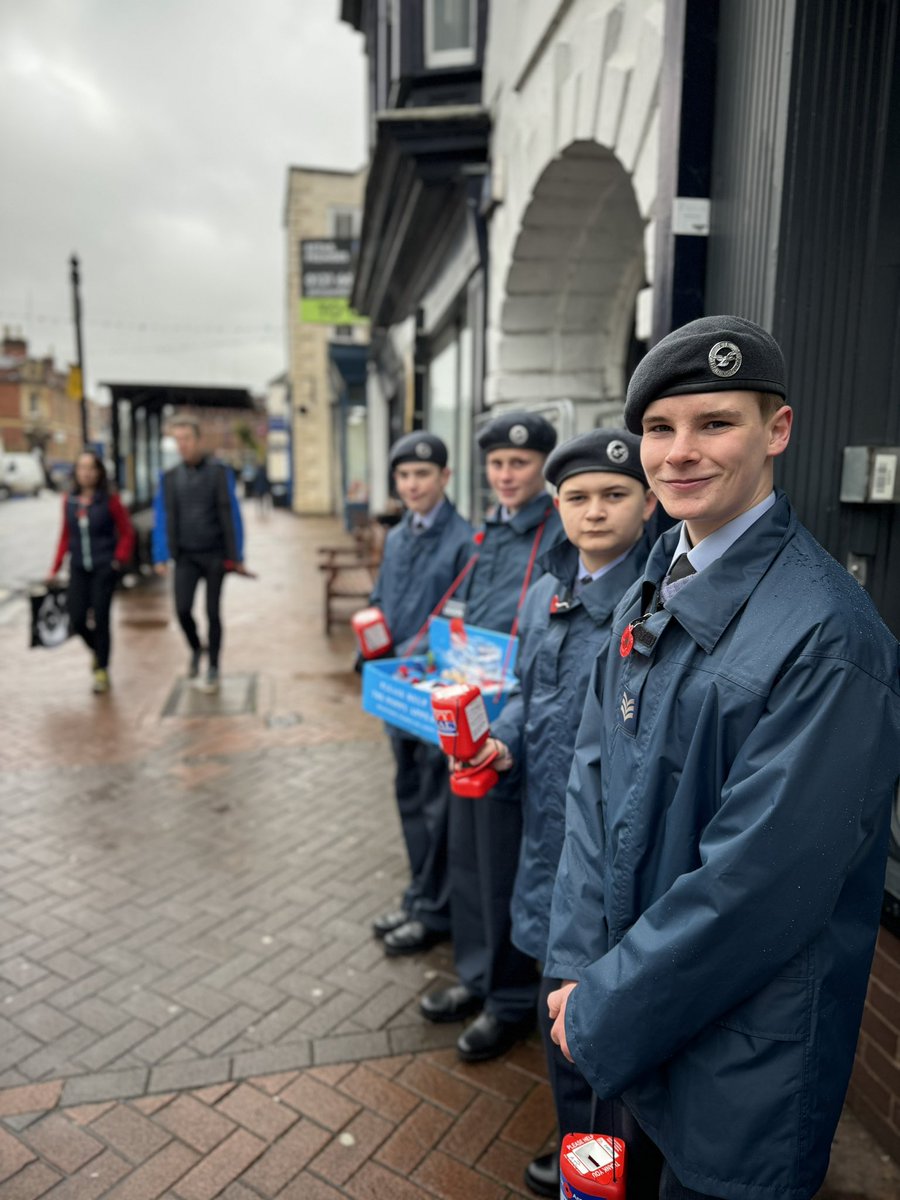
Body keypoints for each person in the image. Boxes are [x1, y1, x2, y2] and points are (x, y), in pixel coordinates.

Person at [546, 316, 900, 1200]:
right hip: (624, 1000)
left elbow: (759, 884)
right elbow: (593, 784)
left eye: (716, 424)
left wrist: (600, 1006)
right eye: (660, 430)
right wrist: (576, 964)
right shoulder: (657, 572)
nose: (679, 453)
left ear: (777, 430)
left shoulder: (829, 637)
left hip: (740, 1047)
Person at [472, 429, 656, 1196]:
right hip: (546, 841)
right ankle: (583, 1151)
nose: (595, 512)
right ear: (557, 507)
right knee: (560, 1022)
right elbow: (525, 693)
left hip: (611, 860)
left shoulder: (651, 607)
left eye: (614, 495)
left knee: (596, 1033)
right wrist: (502, 744)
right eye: (578, 498)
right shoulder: (552, 591)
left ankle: (594, 1172)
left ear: (647, 505)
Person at [420, 410, 566, 1063]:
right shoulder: (490, 535)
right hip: (469, 715)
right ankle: (476, 979)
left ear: (541, 467)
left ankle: (508, 1000)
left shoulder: (559, 533)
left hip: (519, 725)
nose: (507, 475)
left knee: (508, 865)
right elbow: (464, 615)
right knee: (472, 859)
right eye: (498, 465)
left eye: (520, 464)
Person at [368, 432, 475, 955]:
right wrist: (369, 638)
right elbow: (381, 599)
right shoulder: (397, 537)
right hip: (393, 693)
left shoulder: (464, 542)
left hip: (432, 697)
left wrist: (411, 655)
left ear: (445, 478)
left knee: (437, 807)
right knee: (409, 798)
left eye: (423, 475)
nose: (412, 485)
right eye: (404, 476)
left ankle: (435, 912)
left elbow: (459, 628)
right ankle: (418, 895)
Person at [151, 415, 247, 694]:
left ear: (198, 440)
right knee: (182, 610)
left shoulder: (218, 473)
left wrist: (237, 555)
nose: (182, 445)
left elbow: (232, 514)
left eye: (187, 439)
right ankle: (196, 648)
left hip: (215, 554)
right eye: (177, 440)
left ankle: (214, 665)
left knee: (212, 612)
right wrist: (160, 555)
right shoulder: (169, 478)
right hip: (185, 556)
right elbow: (162, 517)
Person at [48, 449, 135, 694]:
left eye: (91, 468)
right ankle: (98, 651)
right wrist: (54, 568)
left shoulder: (110, 500)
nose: (86, 473)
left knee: (101, 617)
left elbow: (127, 532)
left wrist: (118, 560)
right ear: (76, 473)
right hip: (78, 568)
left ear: (99, 472)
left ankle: (102, 670)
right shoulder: (70, 500)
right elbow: (65, 535)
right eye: (81, 468)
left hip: (103, 568)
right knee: (76, 618)